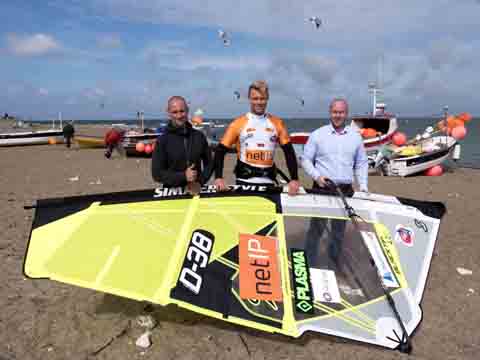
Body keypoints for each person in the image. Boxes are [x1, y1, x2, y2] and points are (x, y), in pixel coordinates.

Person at [301, 98, 369, 267]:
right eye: (335, 112)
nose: (338, 115)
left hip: (345, 190)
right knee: (316, 230)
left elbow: (361, 163)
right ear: (330, 112)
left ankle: (333, 265)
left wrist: (364, 186)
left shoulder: (355, 138)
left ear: (346, 114)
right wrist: (317, 176)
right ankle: (310, 265)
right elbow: (306, 160)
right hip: (322, 188)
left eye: (341, 112)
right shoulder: (318, 135)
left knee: (338, 232)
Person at [213, 80, 300, 195]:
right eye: (255, 98)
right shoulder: (238, 123)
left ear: (267, 99)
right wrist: (219, 177)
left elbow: (289, 152)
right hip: (244, 183)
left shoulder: (277, 123)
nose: (259, 102)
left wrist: (294, 179)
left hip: (269, 184)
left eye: (262, 98)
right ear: (249, 99)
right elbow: (220, 151)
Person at [151, 96, 211, 191]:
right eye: (174, 112)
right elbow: (157, 174)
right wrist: (183, 176)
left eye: (182, 111)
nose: (179, 115)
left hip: (196, 190)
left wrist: (200, 181)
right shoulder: (162, 140)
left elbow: (209, 164)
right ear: (168, 113)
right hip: (172, 193)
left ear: (187, 110)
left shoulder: (199, 136)